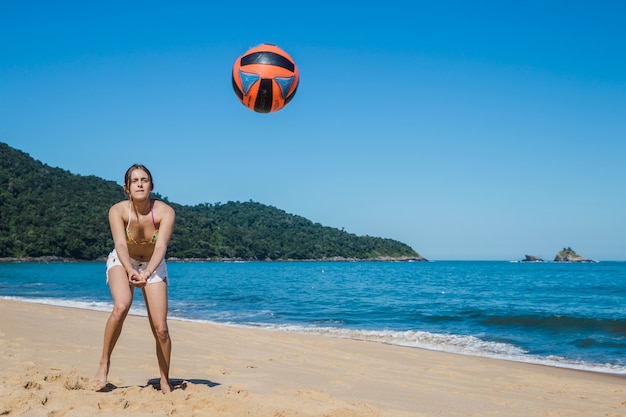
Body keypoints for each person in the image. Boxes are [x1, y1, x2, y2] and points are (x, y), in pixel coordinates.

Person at [94, 164, 176, 393]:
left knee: (161, 329)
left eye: (144, 180)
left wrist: (148, 272)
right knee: (122, 306)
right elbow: (120, 244)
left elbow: (161, 246)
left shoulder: (165, 212)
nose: (140, 184)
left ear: (151, 185)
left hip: (154, 264)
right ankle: (104, 362)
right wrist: (130, 269)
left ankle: (164, 379)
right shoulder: (117, 211)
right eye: (134, 180)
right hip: (123, 260)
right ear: (126, 187)